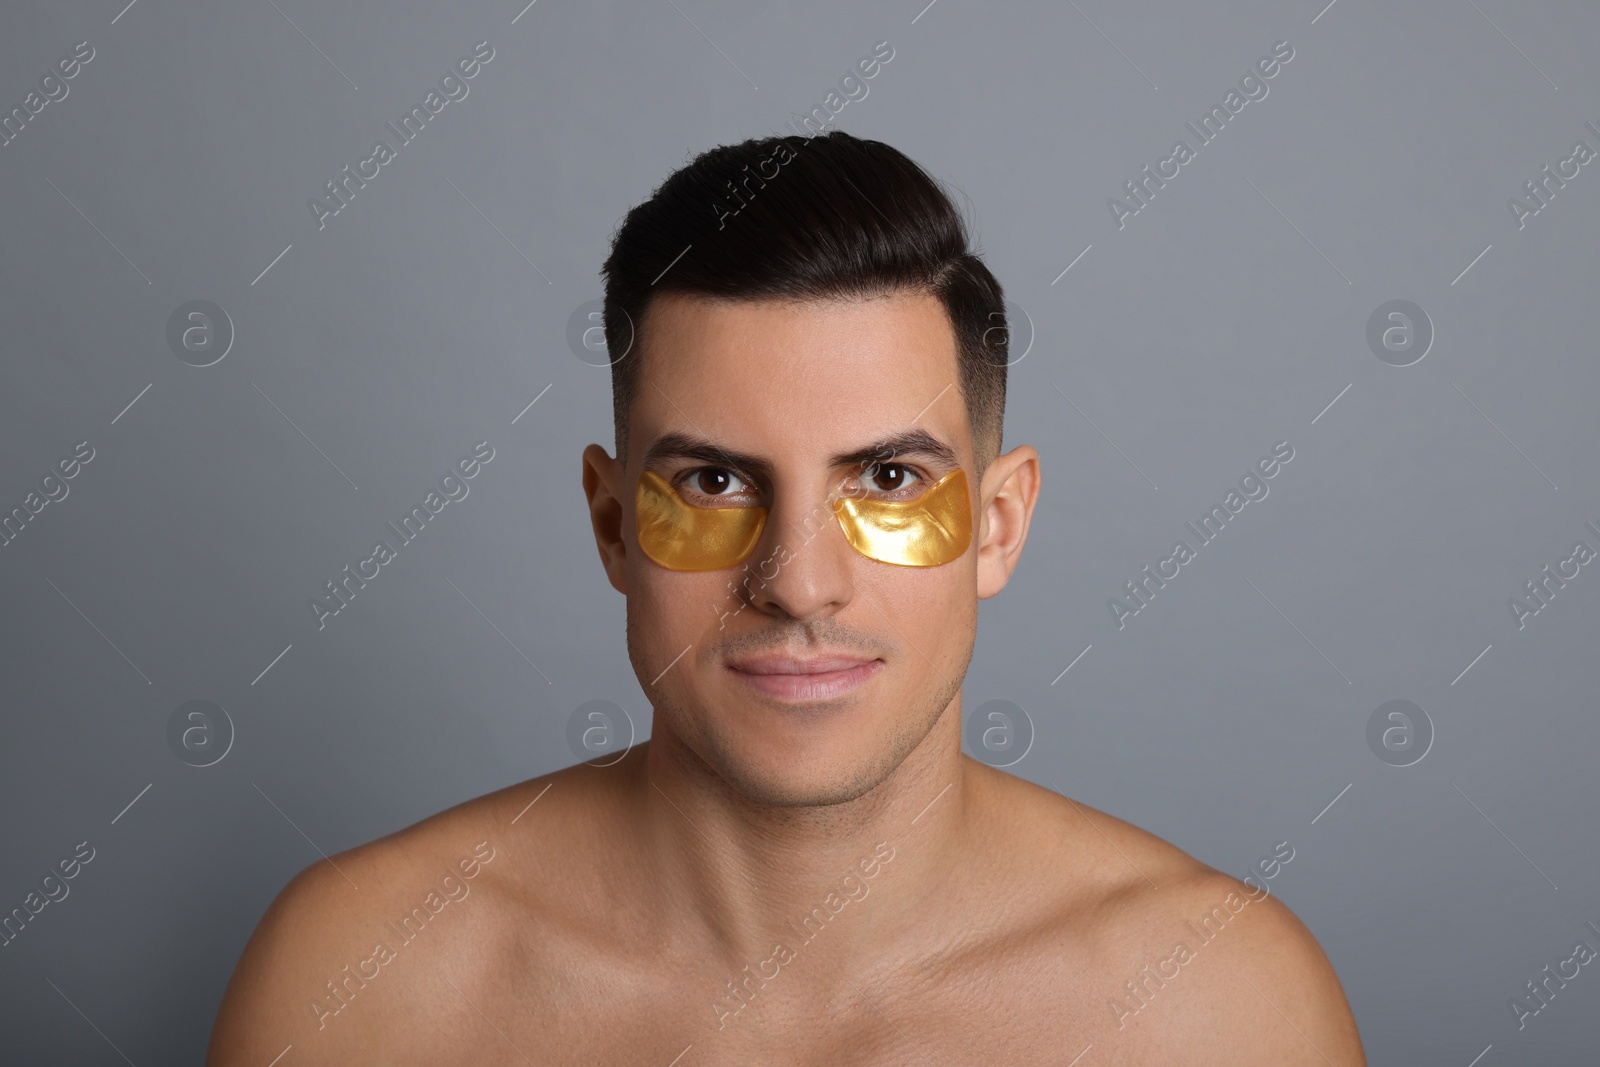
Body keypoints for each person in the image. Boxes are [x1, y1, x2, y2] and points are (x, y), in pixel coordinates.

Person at [207, 130, 1365, 1064]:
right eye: (713, 480)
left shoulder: (1222, 1011)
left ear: (999, 526)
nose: (797, 581)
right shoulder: (357, 986)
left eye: (888, 477)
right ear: (613, 522)